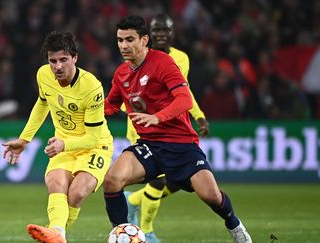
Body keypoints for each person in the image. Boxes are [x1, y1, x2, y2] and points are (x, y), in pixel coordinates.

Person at [103, 15, 252, 243]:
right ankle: (122, 234)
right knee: (113, 179)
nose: (124, 45)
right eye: (120, 40)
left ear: (144, 40)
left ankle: (234, 225)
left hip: (181, 144)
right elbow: (110, 105)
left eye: (130, 39)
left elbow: (184, 99)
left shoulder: (163, 62)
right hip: (150, 146)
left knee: (211, 196)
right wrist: (83, 108)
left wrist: (157, 117)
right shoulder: (122, 73)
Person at [2, 31, 113, 243]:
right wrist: (24, 139)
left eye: (63, 60)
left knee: (77, 194)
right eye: (53, 61)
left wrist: (64, 144)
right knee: (55, 182)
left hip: (95, 146)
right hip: (64, 144)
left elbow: (92, 137)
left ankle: (55, 234)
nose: (58, 66)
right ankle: (57, 236)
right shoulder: (44, 75)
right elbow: (43, 102)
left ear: (75, 58)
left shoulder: (92, 87)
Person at [122, 13, 210, 242]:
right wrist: (139, 111)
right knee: (158, 179)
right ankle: (147, 230)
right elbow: (125, 93)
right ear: (148, 35)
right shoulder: (138, 58)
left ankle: (133, 202)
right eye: (157, 30)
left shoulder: (182, 58)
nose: (161, 34)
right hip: (144, 131)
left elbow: (184, 91)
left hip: (172, 127)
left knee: (180, 179)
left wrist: (198, 116)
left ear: (172, 33)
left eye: (165, 30)